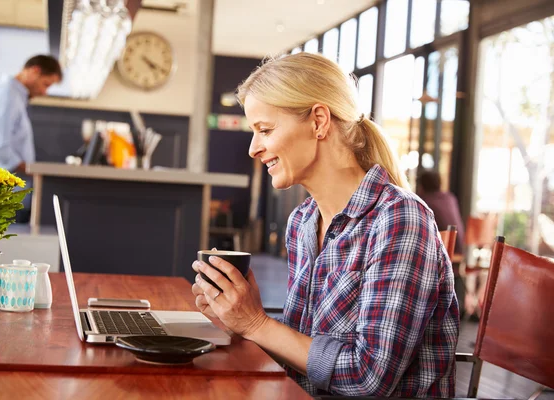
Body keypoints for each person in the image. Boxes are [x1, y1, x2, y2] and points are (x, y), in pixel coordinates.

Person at [191, 53, 459, 397]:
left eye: (265, 130)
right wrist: (238, 318)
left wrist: (257, 323)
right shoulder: (303, 221)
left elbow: (367, 378)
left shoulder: (400, 219)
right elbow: (305, 346)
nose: (254, 149)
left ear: (319, 121)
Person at [0, 55, 62, 223]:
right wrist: (33, 171)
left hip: (3, 197)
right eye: (46, 84)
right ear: (35, 71)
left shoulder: (14, 96)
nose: (44, 92)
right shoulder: (6, 95)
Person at [417, 170, 467, 318]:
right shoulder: (450, 198)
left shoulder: (423, 201)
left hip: (443, 257)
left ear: (422, 186)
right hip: (458, 251)